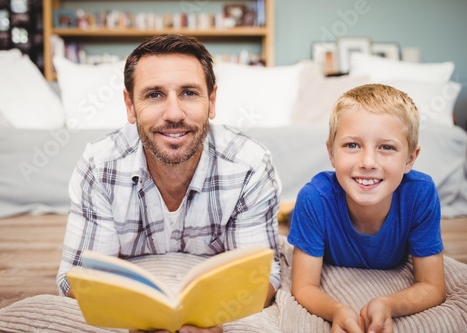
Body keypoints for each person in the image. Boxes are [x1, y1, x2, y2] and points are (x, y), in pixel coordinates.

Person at [56, 34, 282, 333]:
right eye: (153, 95)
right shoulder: (99, 166)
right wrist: (139, 321)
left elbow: (262, 277)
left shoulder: (250, 165)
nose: (174, 114)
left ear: (211, 101)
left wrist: (217, 321)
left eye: (189, 93)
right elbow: (77, 278)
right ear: (130, 105)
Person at [288, 84, 446, 333]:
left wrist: (388, 305)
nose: (368, 162)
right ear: (331, 153)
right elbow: (304, 287)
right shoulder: (314, 198)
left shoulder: (420, 194)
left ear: (410, 159)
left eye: (387, 147)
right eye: (352, 145)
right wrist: (337, 310)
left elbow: (433, 286)